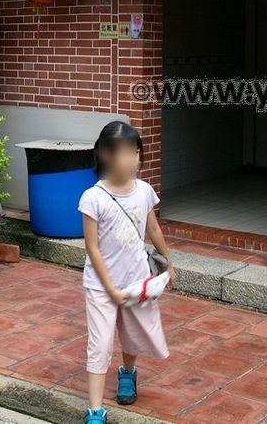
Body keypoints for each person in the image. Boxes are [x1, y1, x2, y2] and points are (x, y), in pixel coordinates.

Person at [77, 121, 175, 423]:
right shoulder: (92, 198)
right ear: (106, 156)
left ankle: (128, 374)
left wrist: (170, 263)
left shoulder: (144, 190)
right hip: (100, 286)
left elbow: (153, 228)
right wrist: (110, 289)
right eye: (126, 153)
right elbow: (92, 249)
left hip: (136, 281)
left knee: (132, 337)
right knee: (100, 344)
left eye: (136, 153)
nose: (134, 160)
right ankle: (95, 410)